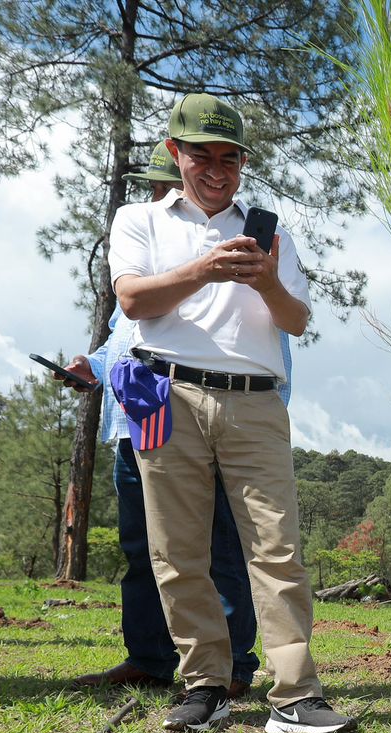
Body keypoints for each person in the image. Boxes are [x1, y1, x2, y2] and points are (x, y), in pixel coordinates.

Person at [107, 92, 349, 733]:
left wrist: (265, 279)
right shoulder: (139, 220)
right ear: (174, 153)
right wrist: (206, 269)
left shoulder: (273, 232)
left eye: (229, 158)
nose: (217, 171)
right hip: (164, 395)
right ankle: (205, 686)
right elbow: (132, 301)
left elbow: (296, 320)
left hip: (256, 400)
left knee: (277, 547)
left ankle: (295, 693)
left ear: (242, 162)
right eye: (202, 156)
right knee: (176, 549)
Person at [62, 145, 271, 698]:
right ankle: (150, 658)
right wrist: (92, 367)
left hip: (198, 421)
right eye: (158, 187)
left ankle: (231, 666)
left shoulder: (224, 257)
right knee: (147, 550)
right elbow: (122, 337)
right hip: (133, 426)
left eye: (166, 188)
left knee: (218, 548)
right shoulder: (138, 257)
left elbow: (257, 348)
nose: (163, 198)